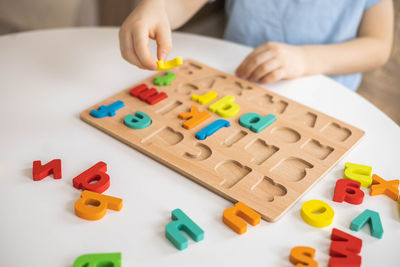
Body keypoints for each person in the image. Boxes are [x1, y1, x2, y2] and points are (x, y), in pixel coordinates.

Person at [118, 0, 394, 91]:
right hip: (239, 79)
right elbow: (178, 4)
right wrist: (154, 7)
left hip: (325, 91)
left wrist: (305, 59)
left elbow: (378, 45)